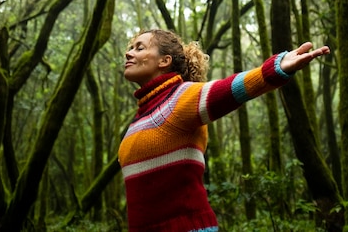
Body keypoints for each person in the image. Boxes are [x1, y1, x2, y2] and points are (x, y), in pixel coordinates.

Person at [118, 28, 330, 232]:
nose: (128, 52)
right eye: (131, 48)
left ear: (164, 61)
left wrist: (276, 68)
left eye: (139, 48)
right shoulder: (140, 118)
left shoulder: (178, 99)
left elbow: (230, 90)